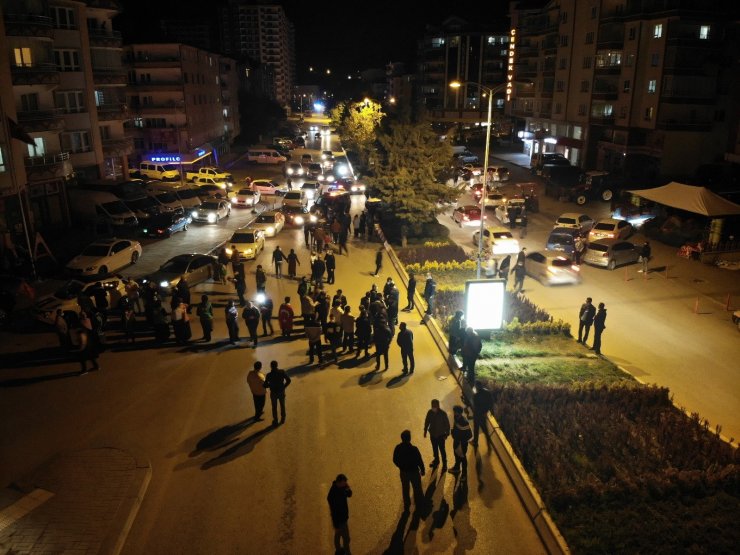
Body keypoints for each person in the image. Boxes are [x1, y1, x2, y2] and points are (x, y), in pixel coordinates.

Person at [392, 430, 425, 511]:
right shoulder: (414, 449)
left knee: (405, 489)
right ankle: (419, 504)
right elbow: (419, 460)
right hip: (414, 472)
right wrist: (422, 469)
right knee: (417, 488)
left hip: (404, 472)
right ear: (409, 438)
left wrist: (401, 466)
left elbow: (395, 459)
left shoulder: (398, 448)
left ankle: (407, 505)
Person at [327, 474, 353, 555]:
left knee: (337, 535)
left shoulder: (342, 487)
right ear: (339, 482)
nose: (345, 484)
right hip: (340, 520)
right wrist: (336, 525)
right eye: (344, 482)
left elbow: (349, 494)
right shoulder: (332, 495)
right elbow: (333, 512)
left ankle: (338, 550)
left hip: (343, 517)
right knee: (347, 539)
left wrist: (347, 487)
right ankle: (347, 552)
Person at [423, 400, 450, 470]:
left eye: (434, 406)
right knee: (434, 448)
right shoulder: (430, 412)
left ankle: (444, 464)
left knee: (442, 450)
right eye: (432, 406)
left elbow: (447, 425)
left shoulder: (443, 414)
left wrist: (446, 434)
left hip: (441, 435)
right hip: (433, 435)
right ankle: (436, 460)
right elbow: (427, 421)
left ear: (438, 406)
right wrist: (425, 430)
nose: (433, 407)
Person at [264, 360, 291, 425]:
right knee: (282, 405)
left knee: (274, 407)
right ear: (277, 365)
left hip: (273, 393)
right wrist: (284, 387)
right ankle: (283, 419)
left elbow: (265, 385)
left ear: (271, 366)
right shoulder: (282, 372)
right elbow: (289, 380)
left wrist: (269, 385)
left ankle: (275, 420)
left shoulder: (268, 375)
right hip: (281, 391)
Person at [449, 405, 472, 474]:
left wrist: (460, 442)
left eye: (455, 412)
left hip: (462, 444)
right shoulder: (456, 417)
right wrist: (453, 432)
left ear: (459, 413)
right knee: (456, 455)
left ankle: (464, 474)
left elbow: (469, 435)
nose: (454, 413)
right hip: (456, 442)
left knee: (462, 458)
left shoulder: (464, 422)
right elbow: (455, 427)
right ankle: (457, 468)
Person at [472, 381, 493, 448]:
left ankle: (475, 442)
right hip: (483, 414)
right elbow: (491, 403)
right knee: (485, 430)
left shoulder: (476, 395)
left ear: (477, 386)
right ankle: (488, 443)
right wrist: (486, 411)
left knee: (476, 429)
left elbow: (475, 406)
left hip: (477, 415)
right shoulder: (488, 393)